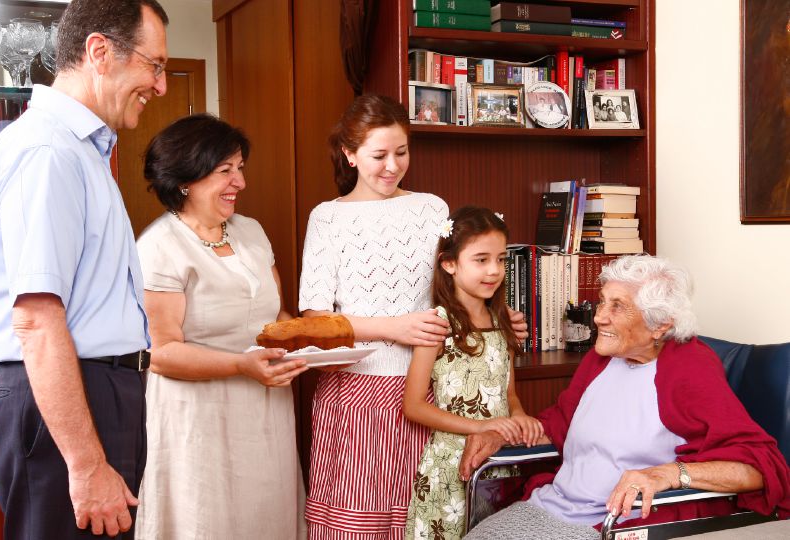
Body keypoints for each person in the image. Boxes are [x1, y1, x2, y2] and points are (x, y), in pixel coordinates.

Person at [0, 1, 169, 538]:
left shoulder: (82, 151)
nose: (162, 86)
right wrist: (83, 463)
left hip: (95, 392)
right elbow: (36, 320)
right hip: (65, 398)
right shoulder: (48, 151)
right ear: (100, 52)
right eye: (156, 65)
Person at [298, 94, 528, 538]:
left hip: (431, 393)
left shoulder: (433, 210)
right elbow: (313, 316)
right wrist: (393, 328)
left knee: (424, 519)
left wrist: (496, 317)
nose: (392, 166)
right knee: (358, 524)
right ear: (349, 154)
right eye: (378, 155)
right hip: (357, 394)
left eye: (401, 153)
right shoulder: (328, 218)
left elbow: (457, 275)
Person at [459, 256, 790, 539]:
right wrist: (498, 433)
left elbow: (759, 468)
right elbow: (559, 422)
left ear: (660, 324)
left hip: (614, 525)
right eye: (603, 301)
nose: (600, 316)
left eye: (617, 306)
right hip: (552, 505)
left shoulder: (689, 368)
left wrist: (670, 474)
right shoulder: (602, 358)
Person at [133, 114, 308, 538]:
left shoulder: (251, 232)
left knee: (266, 519)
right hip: (197, 419)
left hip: (264, 411)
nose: (240, 183)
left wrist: (319, 341)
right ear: (185, 180)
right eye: (225, 171)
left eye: (240, 168)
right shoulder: (159, 247)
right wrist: (242, 365)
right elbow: (162, 352)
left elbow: (275, 320)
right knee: (205, 520)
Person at [403, 207, 544, 540]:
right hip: (451, 466)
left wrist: (520, 418)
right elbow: (413, 406)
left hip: (499, 465)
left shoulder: (504, 323)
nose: (494, 270)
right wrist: (481, 426)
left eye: (500, 260)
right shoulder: (437, 325)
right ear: (450, 264)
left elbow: (508, 395)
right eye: (481, 260)